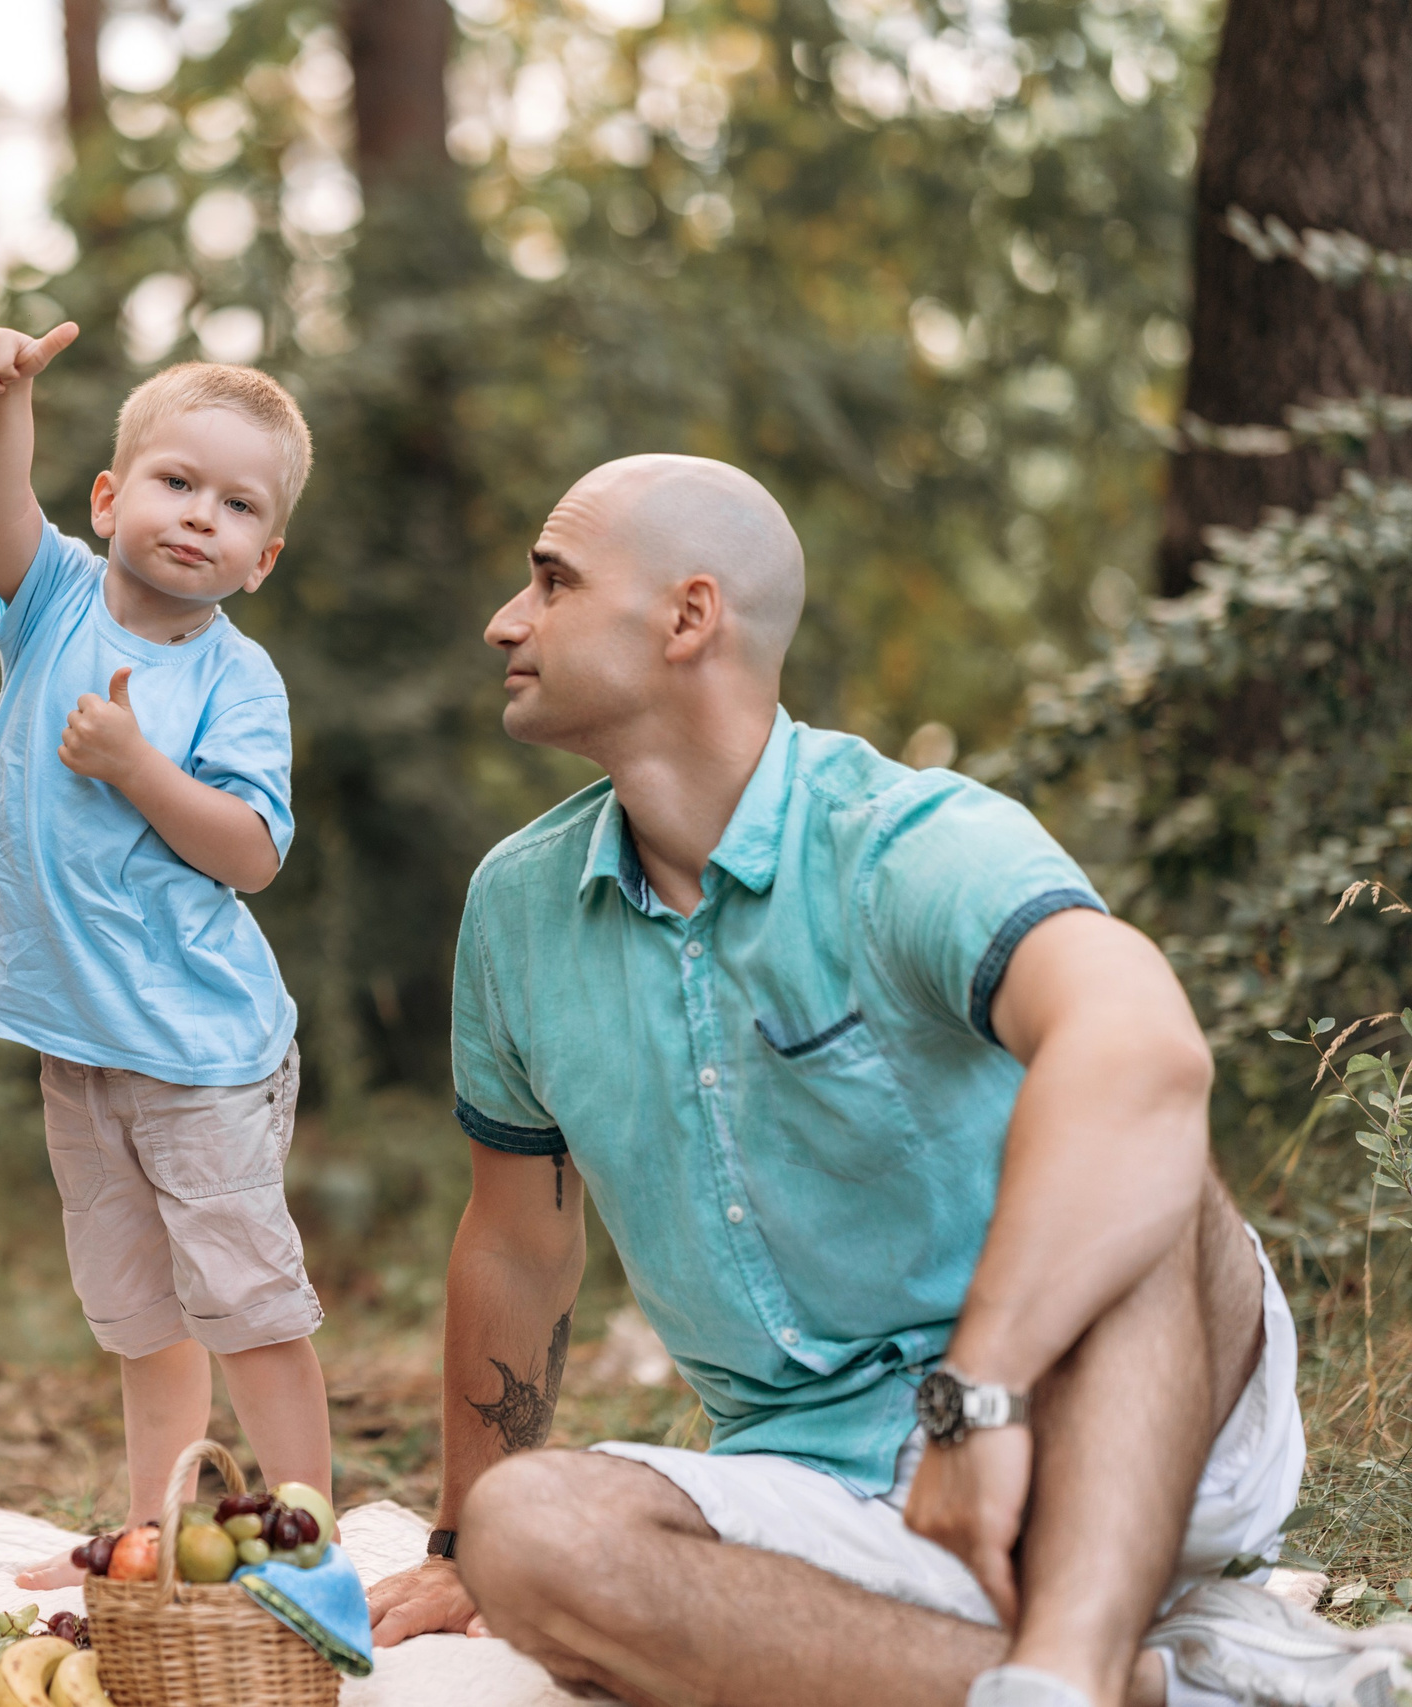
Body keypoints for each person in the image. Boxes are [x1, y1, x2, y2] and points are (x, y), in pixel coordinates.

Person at [364, 455, 1412, 1707]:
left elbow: (1146, 1053)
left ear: (687, 617)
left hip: (1104, 1426)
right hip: (819, 1492)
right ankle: (1154, 1686)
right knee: (532, 1530)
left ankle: (1065, 1665)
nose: (506, 619)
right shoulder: (517, 908)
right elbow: (515, 1243)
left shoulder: (906, 839)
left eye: (550, 582)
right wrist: (457, 1541)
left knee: (1149, 1156)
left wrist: (980, 1396)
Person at [0, 322, 329, 1587]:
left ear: (261, 559)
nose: (198, 518)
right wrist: (4, 399)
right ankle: (157, 1535)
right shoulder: (50, 597)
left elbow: (251, 852)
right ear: (108, 498)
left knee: (247, 1305)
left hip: (203, 1052)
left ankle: (303, 1535)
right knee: (140, 1315)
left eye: (236, 507)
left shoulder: (240, 678)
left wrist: (134, 764)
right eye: (175, 483)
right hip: (84, 1049)